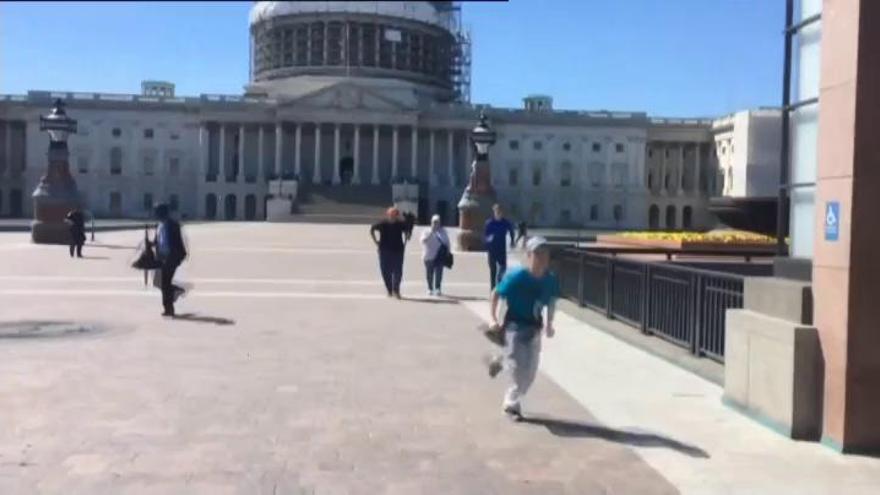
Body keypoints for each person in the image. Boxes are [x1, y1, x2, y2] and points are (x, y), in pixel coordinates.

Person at [485, 236, 559, 421]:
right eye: (538, 253)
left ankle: (502, 359)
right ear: (529, 255)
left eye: (545, 254)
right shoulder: (517, 276)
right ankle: (511, 404)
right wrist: (493, 319)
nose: (542, 258)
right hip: (514, 327)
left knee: (531, 372)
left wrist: (550, 324)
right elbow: (495, 294)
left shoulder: (550, 280)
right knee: (518, 370)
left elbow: (551, 302)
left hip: (534, 328)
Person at [153, 203, 187, 317]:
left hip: (172, 257)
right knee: (160, 282)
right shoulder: (159, 225)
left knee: (164, 283)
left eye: (157, 212)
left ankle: (169, 309)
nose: (156, 214)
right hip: (162, 257)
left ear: (163, 213)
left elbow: (178, 243)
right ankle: (176, 292)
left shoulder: (173, 225)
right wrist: (151, 244)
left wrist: (176, 257)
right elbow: (159, 241)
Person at [370, 207, 409, 299]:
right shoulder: (382, 224)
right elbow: (372, 229)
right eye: (392, 214)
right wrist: (376, 242)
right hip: (384, 251)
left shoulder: (401, 224)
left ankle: (396, 290)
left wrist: (406, 240)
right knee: (385, 271)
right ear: (388, 215)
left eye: (395, 215)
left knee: (398, 272)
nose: (394, 216)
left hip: (398, 250)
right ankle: (389, 289)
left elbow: (407, 232)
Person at [484, 204, 516, 290]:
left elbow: (511, 231)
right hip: (492, 250)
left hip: (502, 249)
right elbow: (485, 236)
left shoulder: (505, 222)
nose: (498, 214)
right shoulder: (489, 223)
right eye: (497, 212)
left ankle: (500, 287)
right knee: (492, 271)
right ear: (494, 212)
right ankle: (492, 290)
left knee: (502, 269)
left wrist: (512, 241)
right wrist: (488, 240)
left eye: (500, 212)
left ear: (502, 213)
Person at [419, 214, 450, 296]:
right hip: (428, 256)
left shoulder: (443, 231)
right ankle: (430, 288)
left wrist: (448, 252)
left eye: (437, 222)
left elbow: (447, 243)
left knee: (439, 273)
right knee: (429, 273)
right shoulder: (426, 231)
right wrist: (431, 233)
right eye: (434, 222)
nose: (436, 224)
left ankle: (438, 288)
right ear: (431, 222)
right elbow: (423, 241)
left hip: (439, 256)